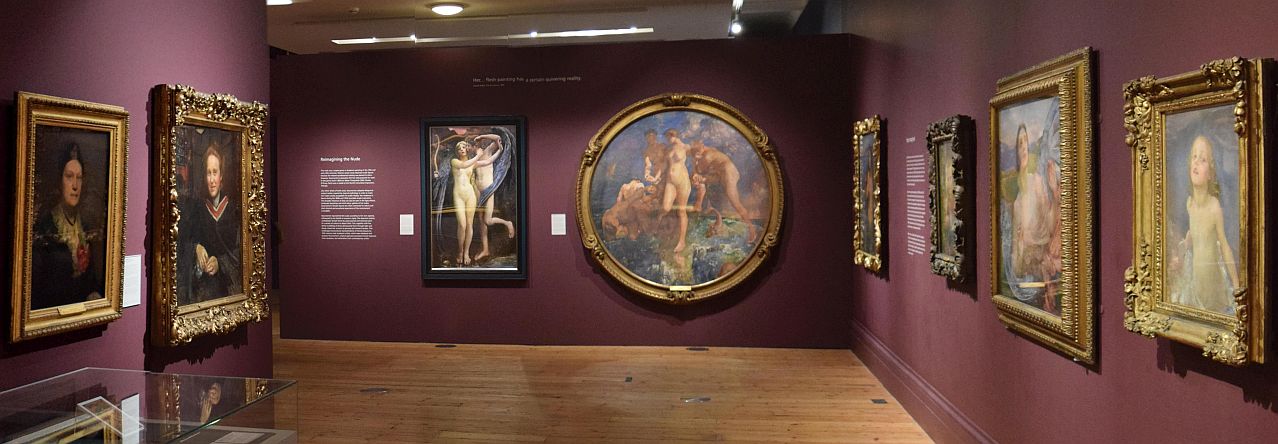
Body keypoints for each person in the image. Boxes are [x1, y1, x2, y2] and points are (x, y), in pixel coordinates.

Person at [31, 143, 103, 309]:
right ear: (60, 181)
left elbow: (91, 279)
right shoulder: (46, 226)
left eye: (79, 177)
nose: (75, 185)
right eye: (69, 176)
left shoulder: (85, 226)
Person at [1176, 135, 1240, 313]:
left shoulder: (1214, 207)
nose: (1196, 162)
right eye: (1194, 157)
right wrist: (1185, 243)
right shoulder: (1189, 203)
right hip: (1197, 281)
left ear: (1211, 173)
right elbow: (1194, 232)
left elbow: (1224, 245)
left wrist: (1236, 285)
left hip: (1213, 284)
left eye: (1203, 159)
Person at [1008, 124, 1061, 312]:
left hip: (1042, 254)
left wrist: (1054, 191)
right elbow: (1016, 239)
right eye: (1019, 144)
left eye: (1025, 142)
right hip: (1027, 263)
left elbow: (1049, 218)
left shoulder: (1036, 180)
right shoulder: (1017, 193)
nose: (1023, 148)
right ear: (1016, 150)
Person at [191, 141, 242, 303]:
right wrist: (196, 248)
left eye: (215, 172)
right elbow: (186, 240)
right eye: (208, 173)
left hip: (228, 290)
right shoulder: (198, 209)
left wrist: (220, 263)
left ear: (221, 177)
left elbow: (240, 252)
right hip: (205, 290)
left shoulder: (233, 209)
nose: (212, 179)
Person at [690, 139, 757, 242]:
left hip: (728, 173)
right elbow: (699, 173)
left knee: (735, 203)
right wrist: (697, 174)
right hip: (719, 174)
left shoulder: (707, 156)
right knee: (700, 181)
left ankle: (752, 230)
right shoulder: (706, 152)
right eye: (695, 154)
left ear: (702, 148)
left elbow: (699, 171)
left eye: (697, 153)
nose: (697, 156)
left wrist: (695, 165)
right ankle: (700, 206)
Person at [448, 140, 501, 266]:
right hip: (458, 195)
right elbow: (464, 165)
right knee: (462, 225)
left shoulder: (473, 163)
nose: (462, 149)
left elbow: (488, 161)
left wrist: (499, 150)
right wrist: (478, 156)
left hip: (470, 195)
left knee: (469, 224)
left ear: (467, 149)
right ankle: (460, 251)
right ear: (457, 151)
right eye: (459, 148)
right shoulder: (454, 161)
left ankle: (466, 252)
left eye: (463, 147)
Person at [472, 133, 515, 262]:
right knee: (481, 221)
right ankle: (485, 249)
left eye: (474, 144)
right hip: (479, 190)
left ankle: (507, 223)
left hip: (488, 188)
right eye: (472, 146)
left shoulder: (487, 151)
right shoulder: (474, 158)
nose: (473, 147)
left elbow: (498, 138)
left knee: (488, 220)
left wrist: (483, 136)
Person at [659, 129, 693, 254]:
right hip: (670, 182)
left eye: (668, 137)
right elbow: (664, 166)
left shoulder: (686, 147)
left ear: (673, 135)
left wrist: (697, 174)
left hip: (683, 181)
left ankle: (682, 241)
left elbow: (696, 159)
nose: (667, 139)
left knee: (681, 211)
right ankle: (659, 227)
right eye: (666, 137)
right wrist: (656, 177)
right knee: (665, 208)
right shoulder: (669, 149)